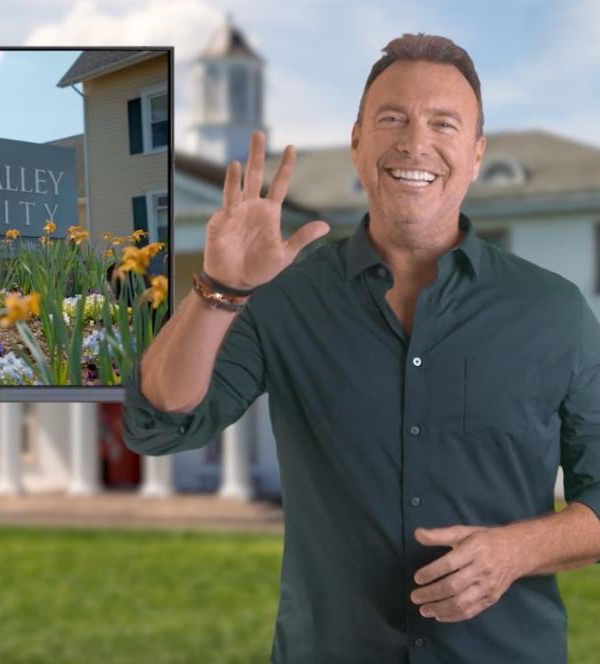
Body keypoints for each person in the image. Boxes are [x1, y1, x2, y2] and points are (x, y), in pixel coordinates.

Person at [122, 33, 600, 663]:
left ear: (476, 154)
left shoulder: (554, 309)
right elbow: (159, 425)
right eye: (392, 119)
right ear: (357, 143)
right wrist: (221, 290)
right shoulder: (284, 298)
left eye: (444, 123)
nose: (415, 143)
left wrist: (518, 551)